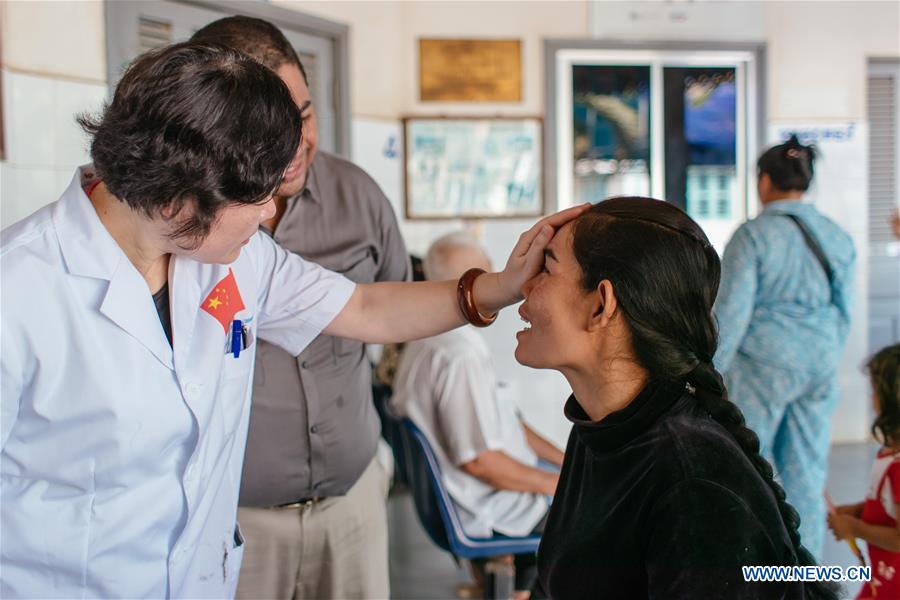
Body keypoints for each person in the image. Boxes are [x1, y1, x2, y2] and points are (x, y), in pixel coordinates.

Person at [0, 42, 585, 598]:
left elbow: (362, 308)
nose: (269, 214)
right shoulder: (19, 292)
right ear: (176, 197)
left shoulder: (233, 259)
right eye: (256, 199)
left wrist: (502, 287)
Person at [514, 197, 839, 599]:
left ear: (601, 304)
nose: (523, 286)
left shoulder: (694, 483)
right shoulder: (601, 428)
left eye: (546, 268)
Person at [189, 16, 409, 599]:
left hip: (352, 507)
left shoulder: (359, 196)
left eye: (304, 115)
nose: (296, 143)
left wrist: (489, 289)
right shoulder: (185, 228)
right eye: (271, 126)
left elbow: (383, 304)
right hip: (236, 523)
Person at [392, 232, 564, 599]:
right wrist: (556, 484)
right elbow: (480, 462)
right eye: (489, 273)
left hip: (480, 494)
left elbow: (509, 421)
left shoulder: (427, 336)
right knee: (590, 516)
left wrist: (566, 463)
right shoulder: (458, 355)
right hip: (487, 507)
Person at [713, 134, 856, 559]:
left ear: (763, 181)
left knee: (749, 470)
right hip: (820, 364)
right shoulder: (836, 235)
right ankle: (805, 575)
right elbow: (845, 311)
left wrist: (708, 372)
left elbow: (731, 312)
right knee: (806, 474)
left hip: (763, 366)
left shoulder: (753, 236)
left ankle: (750, 566)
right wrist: (825, 355)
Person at [828, 343, 900, 600]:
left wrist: (854, 528)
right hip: (880, 580)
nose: (871, 399)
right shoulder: (888, 453)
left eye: (875, 391)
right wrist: (861, 511)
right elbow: (889, 505)